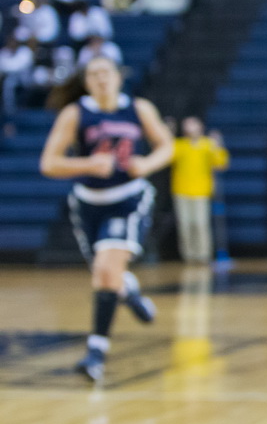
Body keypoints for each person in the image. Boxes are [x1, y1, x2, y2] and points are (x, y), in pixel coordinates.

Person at [38, 56, 174, 382]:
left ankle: (95, 353)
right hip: (87, 203)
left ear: (118, 77)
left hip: (127, 199)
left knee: (104, 272)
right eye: (94, 74)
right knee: (107, 276)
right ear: (87, 82)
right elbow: (49, 163)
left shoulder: (138, 108)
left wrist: (147, 164)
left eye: (105, 73)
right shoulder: (76, 113)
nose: (100, 79)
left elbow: (167, 146)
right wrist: (86, 164)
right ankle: (128, 291)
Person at [171, 116, 229, 264]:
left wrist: (218, 146)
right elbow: (167, 156)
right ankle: (188, 256)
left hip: (201, 191)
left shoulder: (207, 144)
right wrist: (168, 134)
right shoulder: (179, 145)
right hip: (181, 190)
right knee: (185, 224)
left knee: (200, 224)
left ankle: (203, 255)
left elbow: (221, 163)